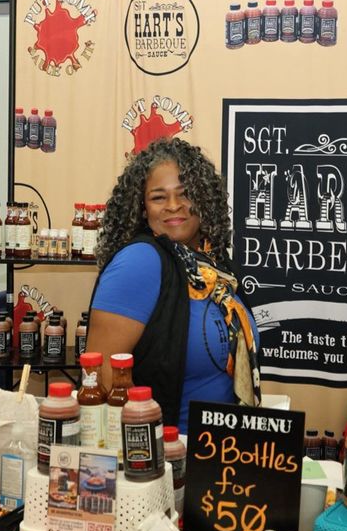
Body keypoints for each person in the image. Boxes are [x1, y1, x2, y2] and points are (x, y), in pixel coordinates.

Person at [86, 138, 261, 432]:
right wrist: (150, 447)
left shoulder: (213, 262)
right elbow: (101, 376)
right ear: (142, 208)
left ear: (203, 198)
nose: (173, 205)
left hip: (222, 449)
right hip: (168, 450)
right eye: (158, 197)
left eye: (186, 193)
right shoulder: (139, 261)